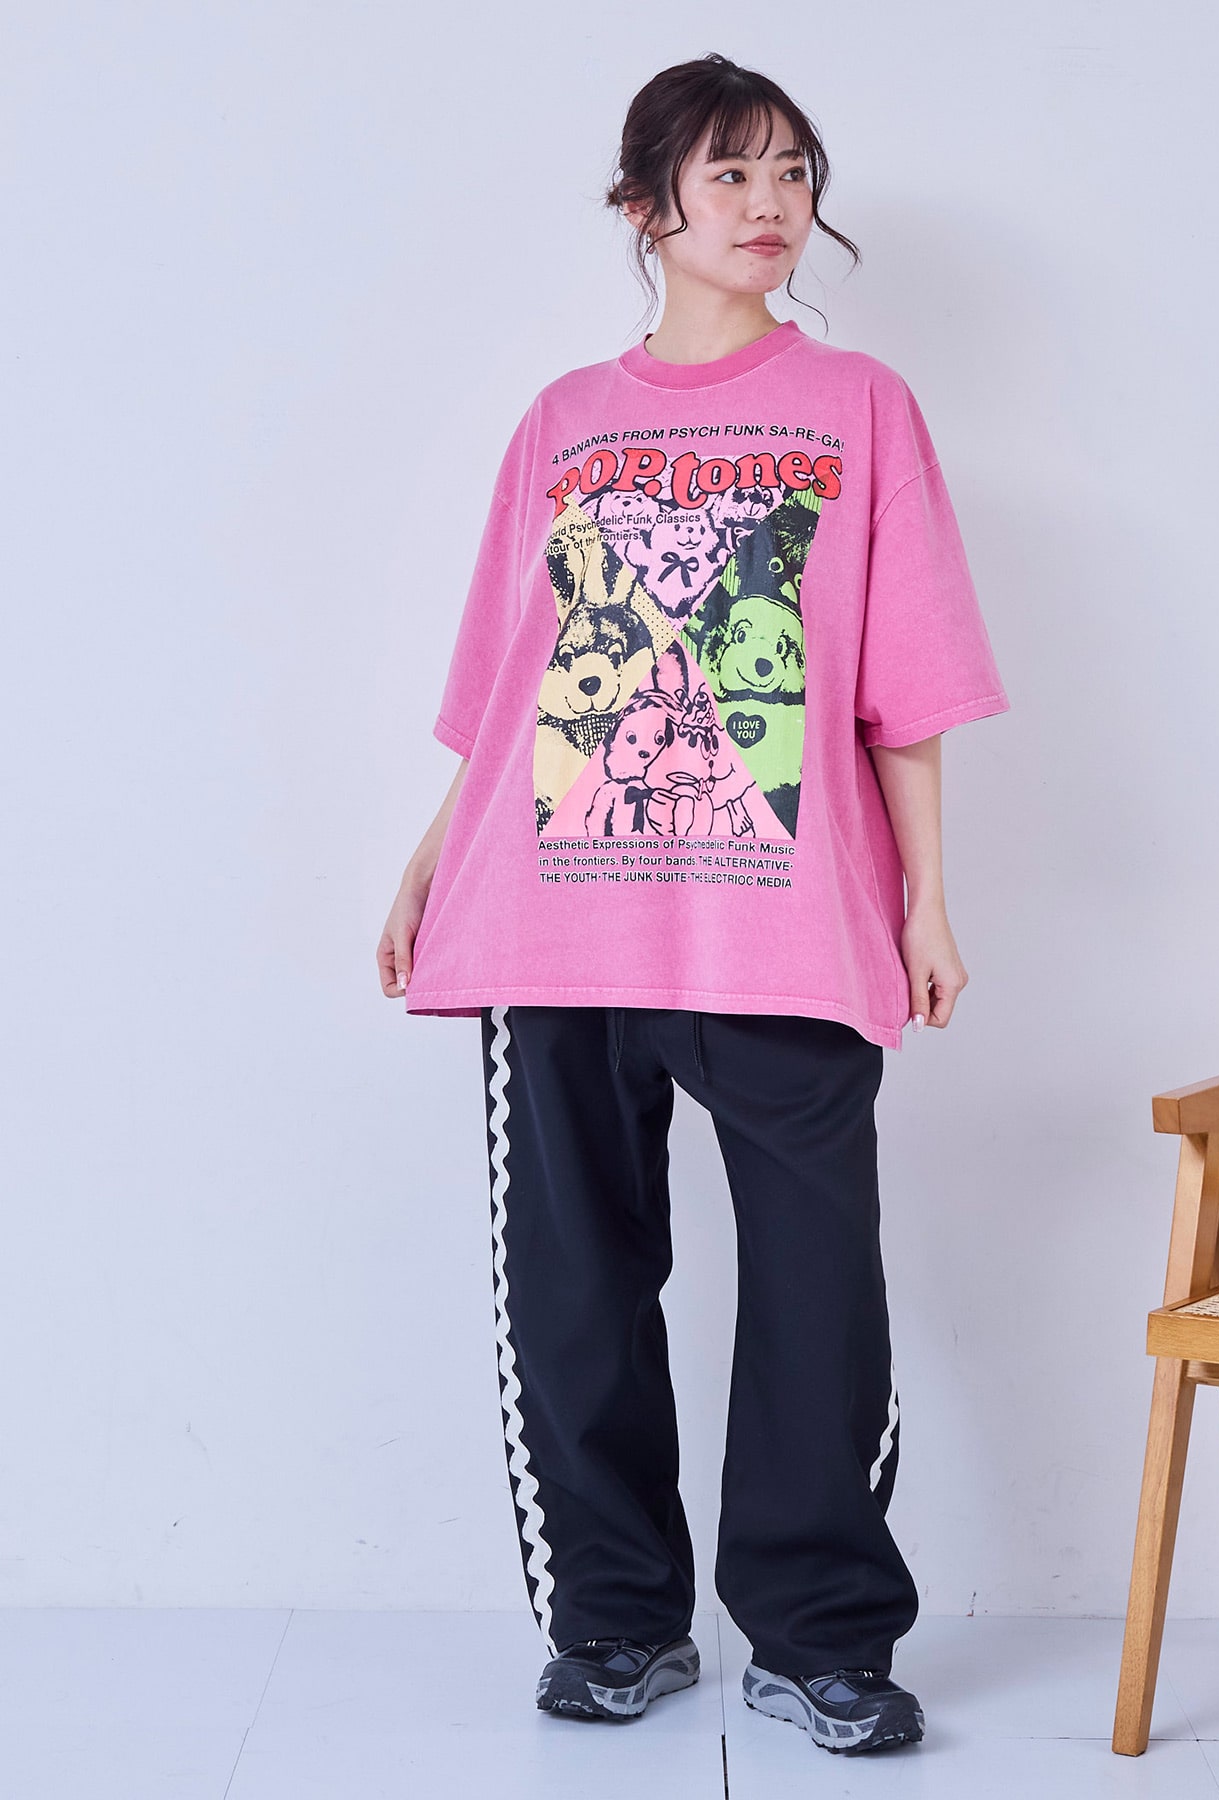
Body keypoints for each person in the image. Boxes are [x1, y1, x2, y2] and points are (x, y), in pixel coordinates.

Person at [376, 53, 1008, 1758]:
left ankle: (820, 1637)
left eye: (792, 171)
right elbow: (511, 681)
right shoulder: (563, 422)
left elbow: (905, 683)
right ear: (645, 205)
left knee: (820, 1287)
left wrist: (928, 900)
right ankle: (616, 1621)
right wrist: (431, 858)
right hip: (550, 912)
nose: (770, 203)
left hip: (785, 922)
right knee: (576, 1286)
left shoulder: (860, 406)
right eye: (730, 173)